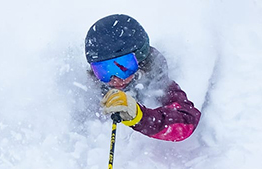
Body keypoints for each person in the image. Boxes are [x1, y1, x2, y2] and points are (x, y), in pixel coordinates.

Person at [84, 14, 201, 142]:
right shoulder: (90, 87)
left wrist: (139, 116)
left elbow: (186, 122)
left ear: (141, 61)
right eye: (103, 70)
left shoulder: (156, 82)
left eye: (123, 67)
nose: (115, 78)